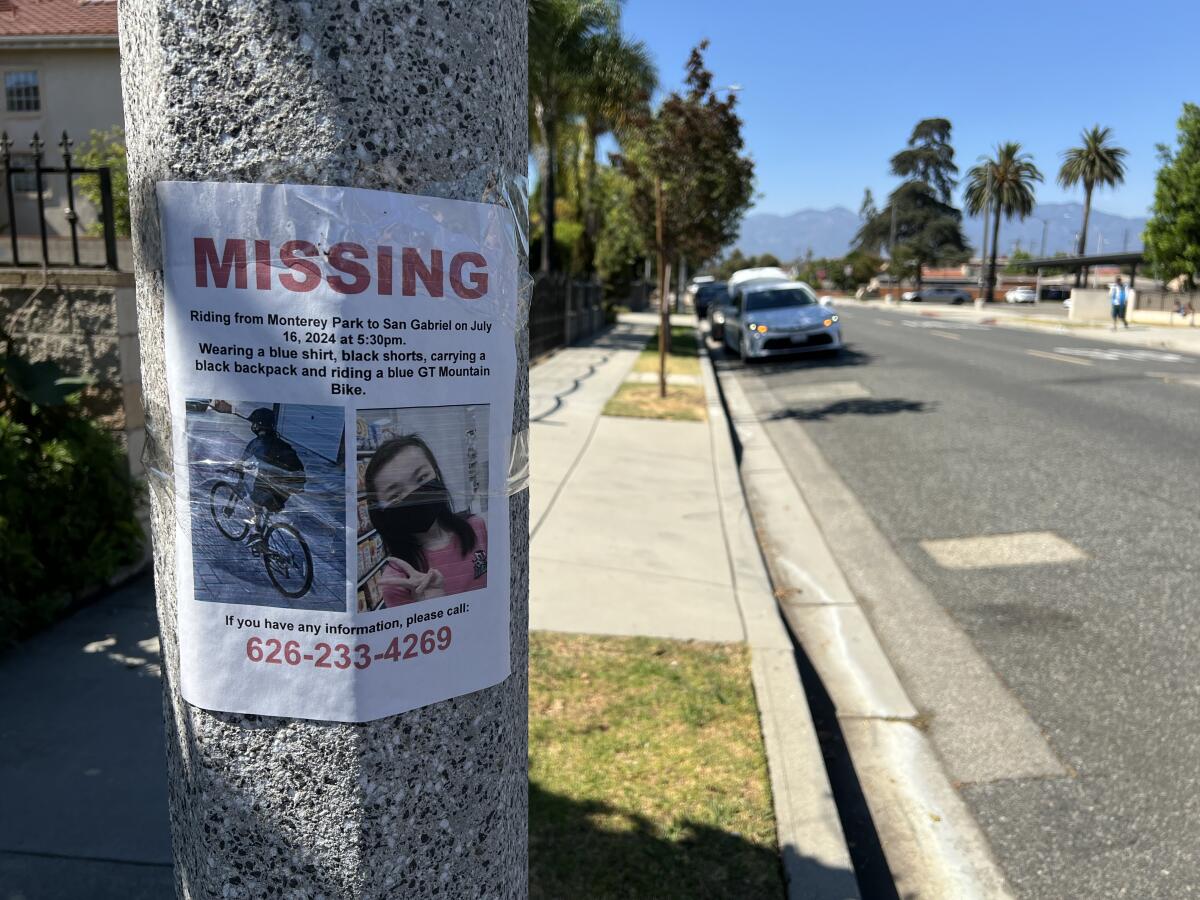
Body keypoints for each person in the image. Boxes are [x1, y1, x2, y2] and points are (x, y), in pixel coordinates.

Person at [364, 435, 487, 607]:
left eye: (421, 478)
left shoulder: (477, 528)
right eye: (395, 495)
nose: (415, 494)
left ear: (436, 474)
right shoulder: (398, 581)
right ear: (381, 511)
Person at [236, 407, 306, 549]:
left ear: (257, 425)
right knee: (268, 499)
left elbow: (241, 462)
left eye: (254, 423)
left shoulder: (257, 443)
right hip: (296, 482)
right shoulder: (280, 442)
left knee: (254, 501)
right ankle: (265, 532)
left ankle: (256, 535)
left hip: (276, 482)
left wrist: (236, 466)